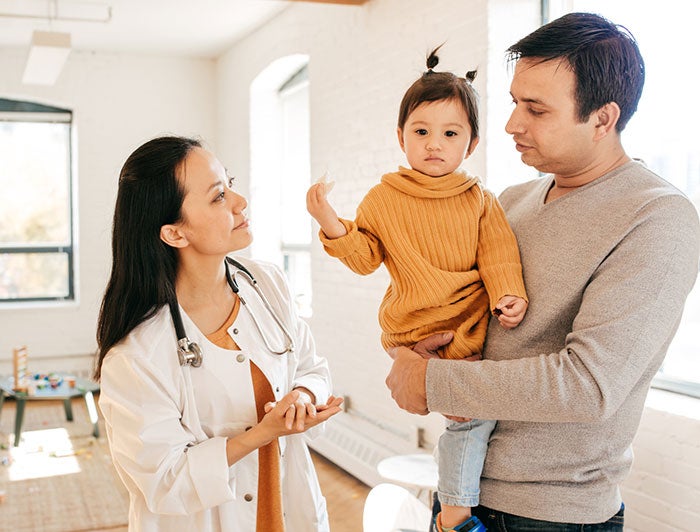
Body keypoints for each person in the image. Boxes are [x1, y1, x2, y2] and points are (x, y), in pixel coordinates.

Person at [384, 12, 700, 531]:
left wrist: (436, 382)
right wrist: (418, 350)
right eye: (513, 102)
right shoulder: (510, 202)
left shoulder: (657, 217)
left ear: (603, 118)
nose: (511, 123)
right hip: (457, 488)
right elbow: (463, 313)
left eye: (535, 109)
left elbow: (589, 386)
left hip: (549, 517)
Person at [307, 46, 528, 532]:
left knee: (471, 421)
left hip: (467, 323)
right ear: (400, 137)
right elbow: (365, 258)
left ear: (470, 145)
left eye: (450, 134)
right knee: (470, 420)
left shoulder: (478, 199)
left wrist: (508, 293)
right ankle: (455, 516)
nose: (434, 144)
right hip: (413, 327)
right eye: (421, 132)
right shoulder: (384, 197)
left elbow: (498, 254)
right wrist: (330, 221)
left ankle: (451, 511)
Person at [94, 136, 343, 531]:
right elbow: (163, 480)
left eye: (230, 183)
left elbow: (311, 367)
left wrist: (303, 395)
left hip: (289, 514)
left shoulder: (268, 284)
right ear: (175, 234)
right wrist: (263, 433)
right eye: (218, 196)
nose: (240, 201)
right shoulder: (136, 354)